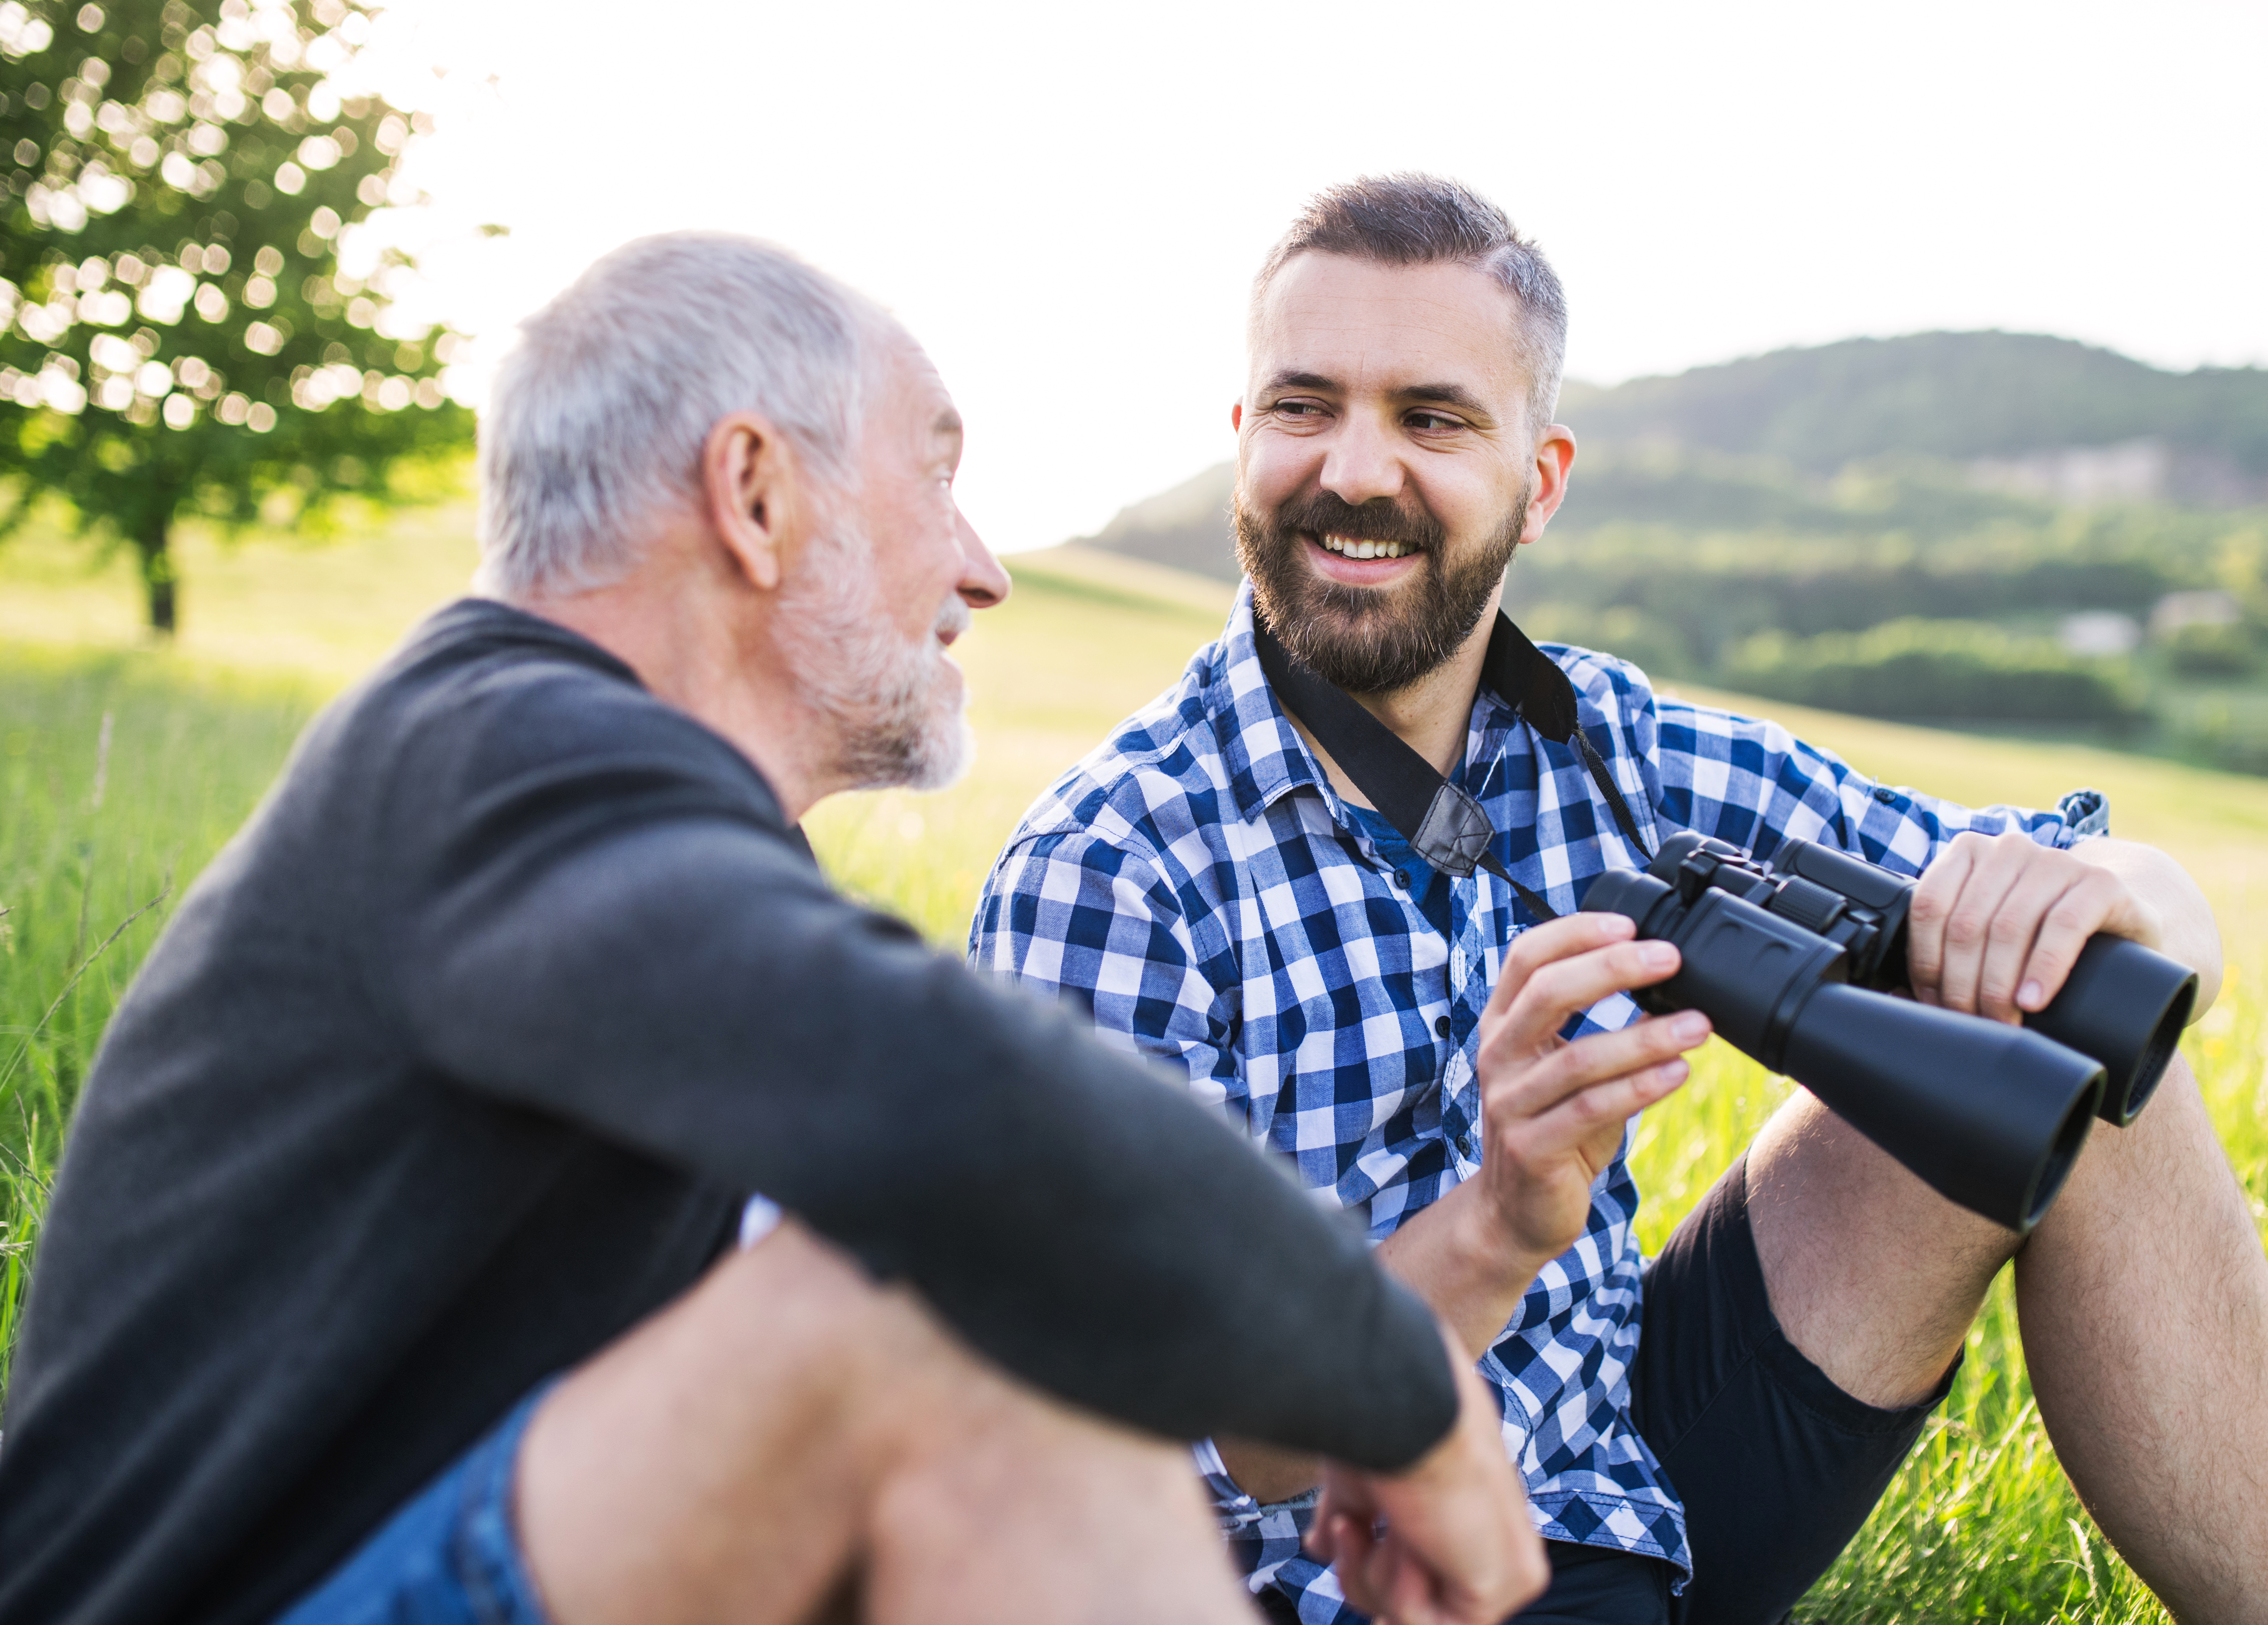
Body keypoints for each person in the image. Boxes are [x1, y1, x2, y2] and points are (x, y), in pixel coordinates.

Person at [0, 234, 1548, 1625]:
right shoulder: (496, 756)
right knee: (930, 1311)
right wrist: (1404, 1391)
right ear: (754, 496)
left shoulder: (644, 827)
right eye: (936, 477)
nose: (982, 570)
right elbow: (981, 1123)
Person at [971, 176, 2268, 1624]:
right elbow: (1200, 1436)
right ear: (1243, 436)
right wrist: (1504, 1221)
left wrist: (2130, 907)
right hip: (1330, 1575)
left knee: (2077, 1042)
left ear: (1543, 481)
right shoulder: (1111, 871)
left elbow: (2090, 870)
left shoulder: (1607, 746)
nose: (1356, 471)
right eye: (1304, 406)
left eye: (1432, 420)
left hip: (1620, 1475)